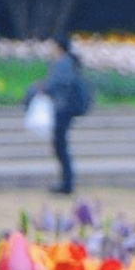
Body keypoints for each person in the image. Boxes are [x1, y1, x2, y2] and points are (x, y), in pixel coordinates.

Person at [30, 33, 92, 198]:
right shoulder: (67, 62)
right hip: (64, 108)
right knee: (60, 145)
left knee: (60, 145)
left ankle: (67, 183)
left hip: (64, 108)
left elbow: (59, 84)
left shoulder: (63, 63)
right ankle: (66, 182)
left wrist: (44, 88)